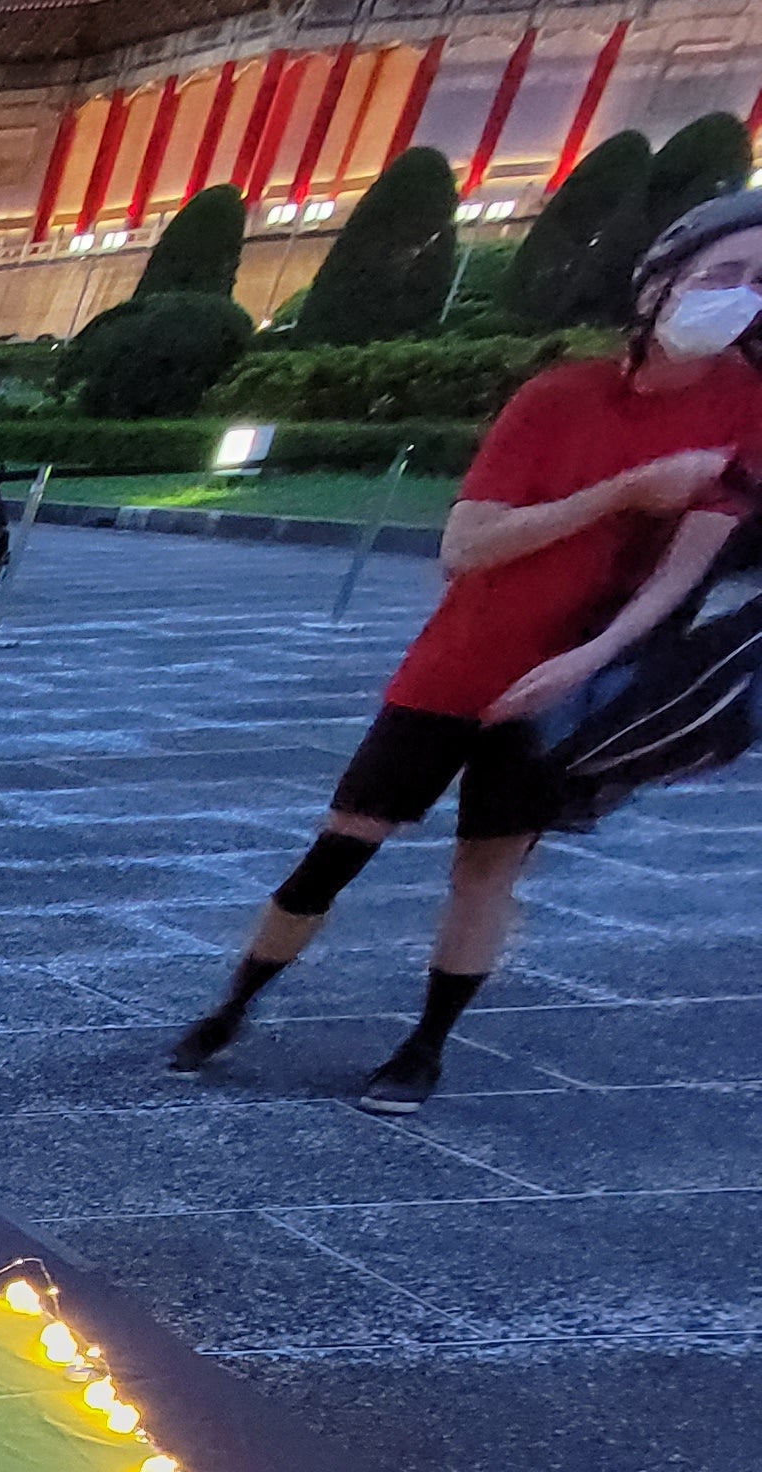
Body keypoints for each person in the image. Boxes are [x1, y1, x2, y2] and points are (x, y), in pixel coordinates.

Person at [174, 193, 762, 1115]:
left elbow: (687, 569)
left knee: (488, 865)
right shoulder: (561, 396)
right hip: (464, 657)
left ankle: (424, 1048)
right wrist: (625, 491)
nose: (740, 297)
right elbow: (468, 544)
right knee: (342, 844)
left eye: (760, 284)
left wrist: (588, 661)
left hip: (573, 679)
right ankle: (234, 1005)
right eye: (722, 275)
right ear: (661, 283)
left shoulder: (745, 407)